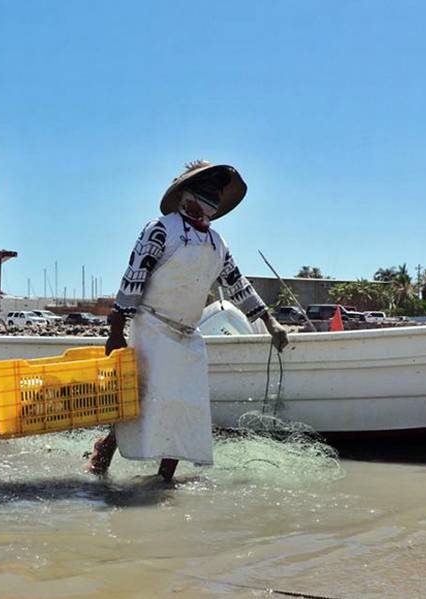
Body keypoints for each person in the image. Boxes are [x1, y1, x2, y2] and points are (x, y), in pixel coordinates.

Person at [86, 160, 289, 481]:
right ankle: (105, 449)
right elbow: (133, 278)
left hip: (188, 335)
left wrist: (269, 321)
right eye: (205, 190)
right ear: (185, 194)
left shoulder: (218, 243)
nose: (211, 199)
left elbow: (237, 284)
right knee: (142, 401)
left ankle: (165, 478)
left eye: (216, 193)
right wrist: (116, 330)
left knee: (186, 408)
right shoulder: (159, 229)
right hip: (152, 327)